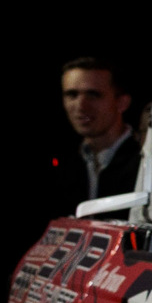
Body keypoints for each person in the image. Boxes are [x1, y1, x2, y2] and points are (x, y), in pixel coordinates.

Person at [56, 57, 141, 209]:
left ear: (122, 102)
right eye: (72, 95)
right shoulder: (64, 163)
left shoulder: (145, 161)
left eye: (93, 95)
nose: (81, 106)